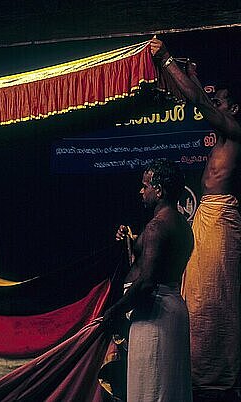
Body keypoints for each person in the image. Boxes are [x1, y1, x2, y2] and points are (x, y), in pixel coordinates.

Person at [150, 37, 241, 401]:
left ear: (234, 107)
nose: (214, 102)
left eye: (220, 100)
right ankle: (197, 371)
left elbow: (199, 102)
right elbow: (200, 98)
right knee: (197, 294)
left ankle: (215, 378)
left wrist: (166, 60)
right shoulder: (225, 135)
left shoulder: (235, 131)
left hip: (221, 217)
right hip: (209, 214)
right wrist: (189, 73)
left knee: (212, 298)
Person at [105, 159, 194, 402]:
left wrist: (114, 312)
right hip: (170, 312)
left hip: (154, 317)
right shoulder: (181, 225)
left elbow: (146, 282)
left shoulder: (156, 227)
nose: (141, 191)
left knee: (150, 391)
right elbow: (158, 265)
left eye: (145, 186)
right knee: (167, 390)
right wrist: (133, 244)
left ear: (159, 190)